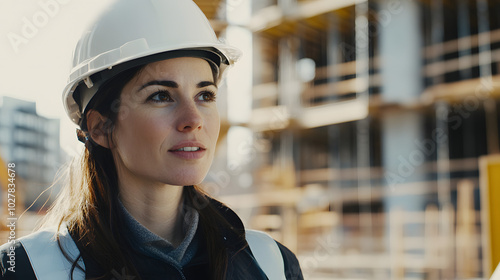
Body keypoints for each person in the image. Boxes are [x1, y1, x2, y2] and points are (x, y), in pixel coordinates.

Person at [0, 0, 303, 279]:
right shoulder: (29, 269)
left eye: (205, 95)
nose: (193, 119)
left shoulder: (272, 263)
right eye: (161, 96)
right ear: (100, 128)